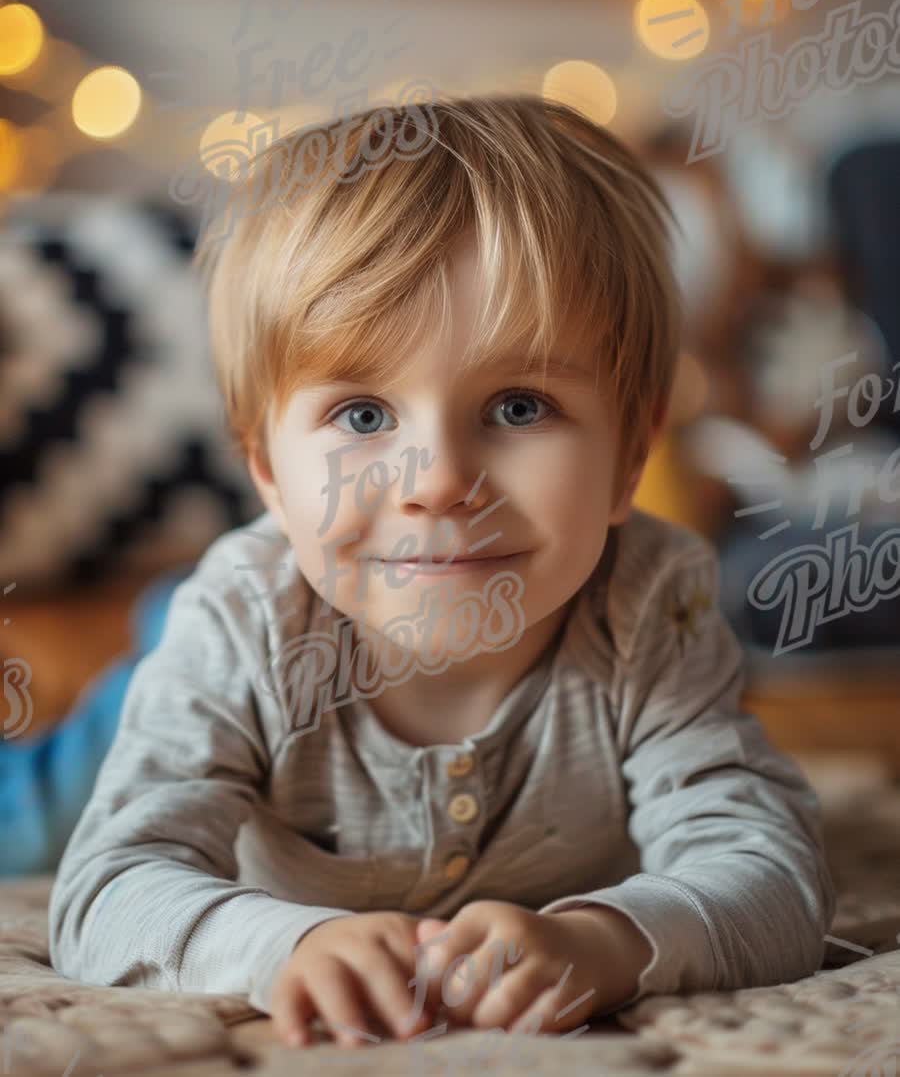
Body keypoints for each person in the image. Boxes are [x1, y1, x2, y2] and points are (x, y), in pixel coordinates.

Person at [47, 94, 836, 1051]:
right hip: (208, 651)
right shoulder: (243, 619)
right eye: (366, 416)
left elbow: (769, 866)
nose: (441, 483)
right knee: (39, 810)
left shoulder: (648, 606)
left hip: (327, 594)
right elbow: (105, 890)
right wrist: (287, 944)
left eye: (516, 406)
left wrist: (607, 938)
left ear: (632, 455)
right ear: (267, 469)